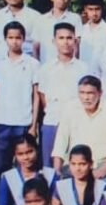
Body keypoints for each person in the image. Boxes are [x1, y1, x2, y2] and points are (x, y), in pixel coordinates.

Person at [0, 21, 40, 205]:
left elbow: (36, 95)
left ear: (24, 39)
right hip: (2, 123)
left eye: (18, 37)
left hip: (23, 123)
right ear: (5, 39)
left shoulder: (32, 64)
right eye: (11, 38)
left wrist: (33, 125)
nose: (15, 41)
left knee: (25, 168)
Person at [37, 22, 93, 163]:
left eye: (69, 38)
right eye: (61, 38)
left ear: (75, 41)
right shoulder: (46, 69)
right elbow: (42, 95)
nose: (65, 42)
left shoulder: (84, 68)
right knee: (50, 165)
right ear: (54, 41)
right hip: (52, 121)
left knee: (76, 164)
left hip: (77, 123)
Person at [51, 75, 106, 180]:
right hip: (74, 166)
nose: (86, 98)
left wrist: (103, 170)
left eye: (90, 93)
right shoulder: (70, 108)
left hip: (101, 166)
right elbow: (60, 142)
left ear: (100, 93)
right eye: (82, 93)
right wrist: (57, 171)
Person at [33, 0, 82, 65]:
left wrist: (74, 66)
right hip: (46, 66)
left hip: (68, 67)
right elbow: (36, 47)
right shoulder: (41, 20)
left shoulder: (75, 19)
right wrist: (37, 67)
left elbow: (76, 46)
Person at [76, 0, 106, 67]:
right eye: (90, 9)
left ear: (102, 9)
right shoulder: (81, 29)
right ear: (85, 9)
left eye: (97, 9)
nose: (94, 13)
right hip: (83, 70)